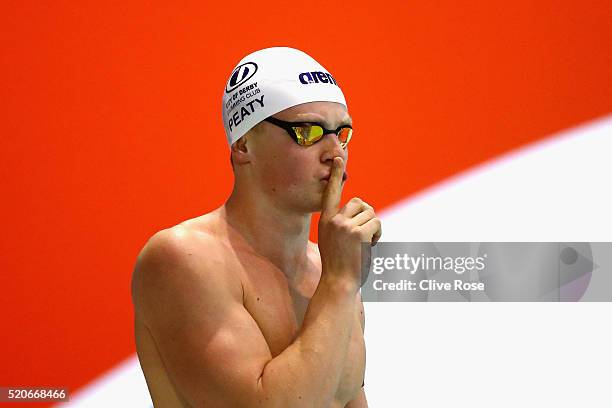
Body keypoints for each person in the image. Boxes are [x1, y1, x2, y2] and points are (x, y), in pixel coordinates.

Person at [131, 47, 381, 407]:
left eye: (342, 133)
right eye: (308, 132)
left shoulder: (331, 269)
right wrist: (339, 284)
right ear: (243, 144)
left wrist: (339, 281)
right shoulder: (184, 258)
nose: (335, 153)